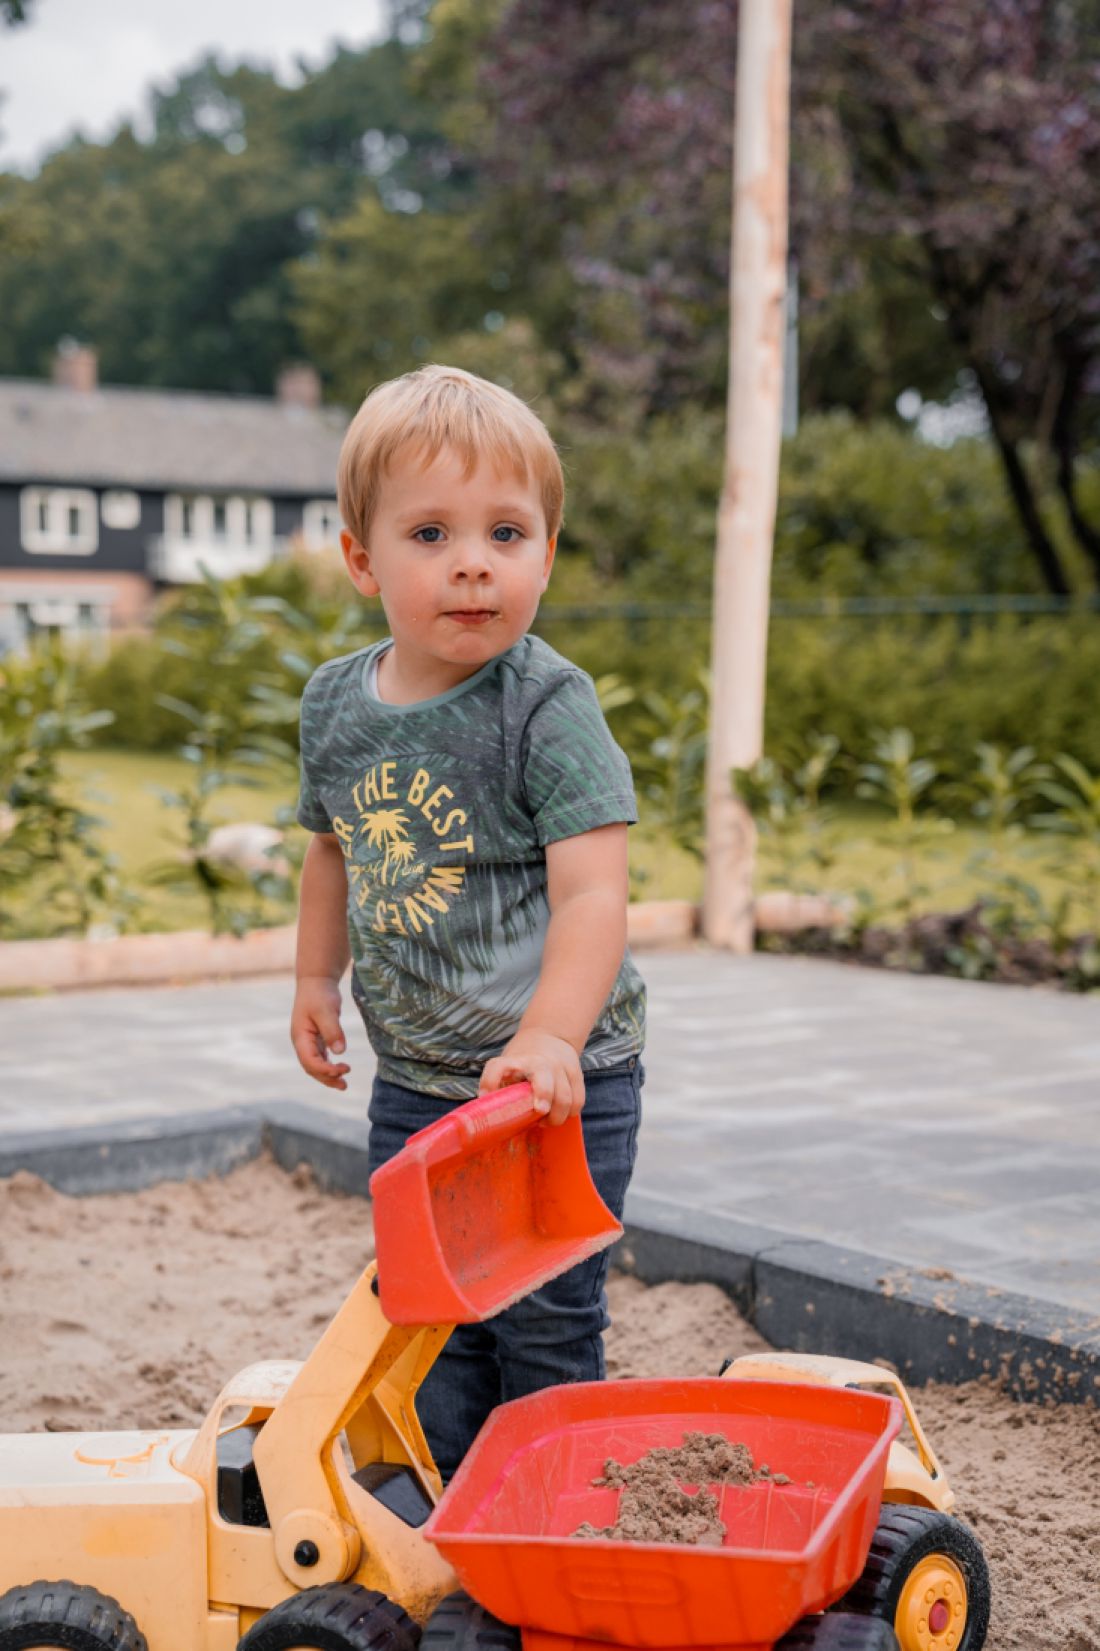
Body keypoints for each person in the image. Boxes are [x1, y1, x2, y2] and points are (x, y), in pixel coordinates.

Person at [290, 363, 646, 1481]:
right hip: (416, 1081)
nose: (472, 563)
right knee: (428, 1306)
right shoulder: (335, 705)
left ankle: (549, 1497)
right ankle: (447, 1499)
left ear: (545, 550)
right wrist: (313, 979)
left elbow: (594, 891)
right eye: (432, 533)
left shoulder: (544, 702)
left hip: (550, 1086)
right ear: (362, 559)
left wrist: (548, 1036)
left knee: (541, 1313)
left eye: (506, 531)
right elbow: (331, 845)